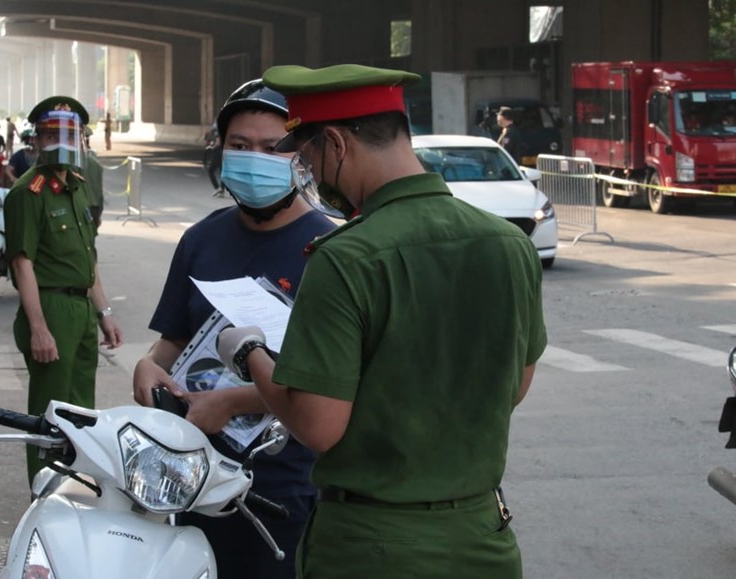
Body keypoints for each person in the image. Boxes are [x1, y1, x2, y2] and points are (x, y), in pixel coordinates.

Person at [214, 64, 548, 578]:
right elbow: (515, 386)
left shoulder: (346, 257)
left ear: (335, 144)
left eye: (307, 159)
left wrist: (248, 354)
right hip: (484, 538)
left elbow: (319, 427)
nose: (312, 176)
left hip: (372, 547)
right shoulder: (507, 244)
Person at [131, 79, 337, 579]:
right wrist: (148, 365)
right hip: (192, 471)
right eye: (240, 146)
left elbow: (337, 382)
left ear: (301, 156)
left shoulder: (334, 249)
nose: (253, 158)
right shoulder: (201, 239)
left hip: (285, 485)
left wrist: (233, 402)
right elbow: (174, 340)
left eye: (272, 148)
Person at [5, 95, 124, 485]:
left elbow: (88, 260)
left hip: (82, 310)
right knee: (50, 414)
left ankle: (74, 488)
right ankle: (44, 495)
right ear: (36, 140)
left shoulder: (77, 187)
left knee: (81, 413)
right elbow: (22, 263)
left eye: (70, 134)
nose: (63, 143)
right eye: (52, 135)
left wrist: (104, 313)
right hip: (51, 308)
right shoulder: (28, 192)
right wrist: (39, 327)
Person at [81, 127, 104, 228]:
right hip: (94, 207)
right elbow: (99, 189)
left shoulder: (72, 160)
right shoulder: (95, 160)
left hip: (80, 206)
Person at [203, 121, 226, 197]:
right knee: (222, 172)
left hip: (218, 153)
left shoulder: (217, 131)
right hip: (225, 153)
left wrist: (212, 147)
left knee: (211, 170)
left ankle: (217, 188)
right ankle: (222, 191)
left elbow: (218, 143)